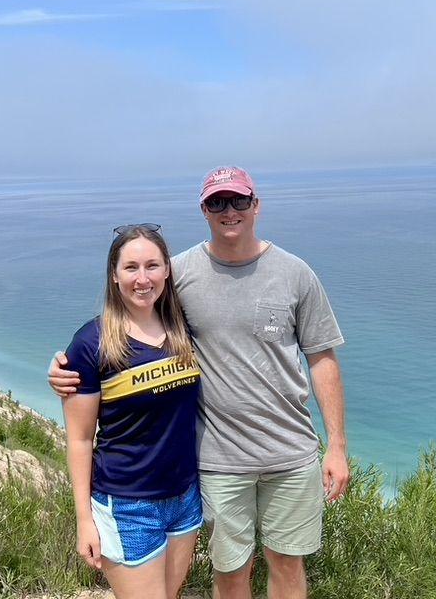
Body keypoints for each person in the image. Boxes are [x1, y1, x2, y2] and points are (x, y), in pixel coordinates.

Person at [50, 167, 351, 599]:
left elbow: (322, 357)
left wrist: (337, 445)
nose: (229, 211)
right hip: (218, 461)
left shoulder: (295, 273)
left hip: (291, 454)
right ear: (204, 210)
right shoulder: (181, 273)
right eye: (217, 203)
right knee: (231, 572)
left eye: (239, 201)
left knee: (288, 564)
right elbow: (126, 316)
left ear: (256, 205)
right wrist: (64, 365)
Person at [63, 224, 202, 599]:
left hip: (185, 497)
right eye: (131, 268)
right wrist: (83, 521)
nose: (143, 279)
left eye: (152, 266)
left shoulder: (183, 329)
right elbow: (78, 439)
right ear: (114, 274)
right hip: (127, 505)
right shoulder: (92, 343)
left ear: (167, 270)